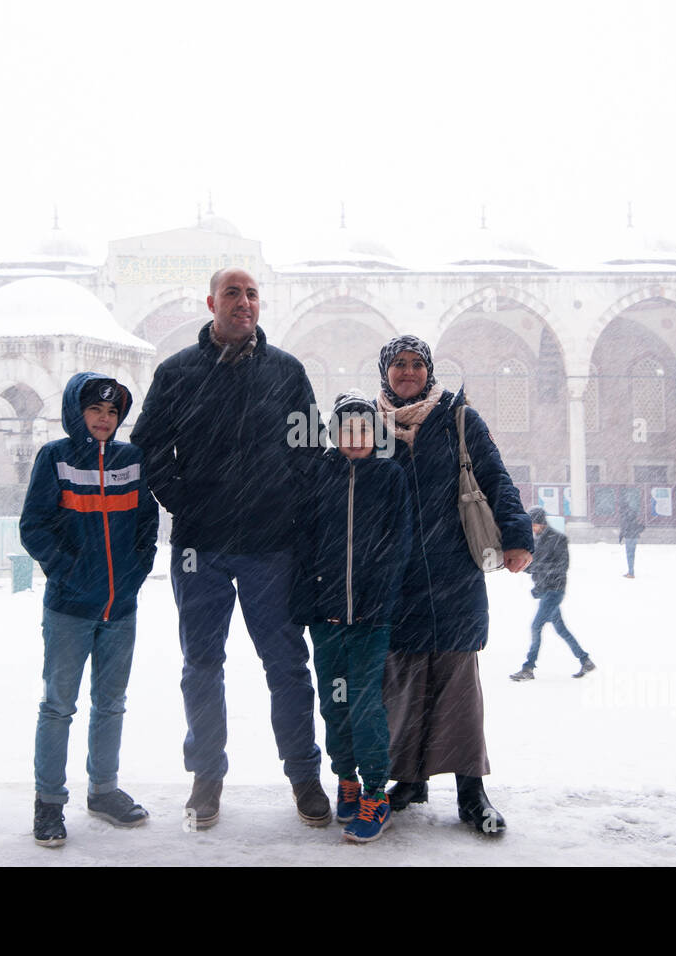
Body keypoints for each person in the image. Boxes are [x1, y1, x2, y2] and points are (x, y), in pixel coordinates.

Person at [129, 268, 328, 830]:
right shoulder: (178, 373)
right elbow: (147, 449)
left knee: (288, 665)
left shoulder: (285, 372)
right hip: (201, 549)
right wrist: (186, 503)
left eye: (253, 295)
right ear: (212, 302)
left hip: (272, 547)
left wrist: (287, 507)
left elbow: (310, 450)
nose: (245, 303)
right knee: (201, 664)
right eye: (234, 294)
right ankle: (207, 777)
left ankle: (303, 775)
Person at [375, 335, 533, 836]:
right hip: (394, 580)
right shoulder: (369, 424)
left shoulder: (458, 418)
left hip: (452, 574)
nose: (407, 372)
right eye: (398, 364)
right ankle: (408, 781)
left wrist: (517, 535)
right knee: (402, 685)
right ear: (385, 372)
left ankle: (471, 792)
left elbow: (496, 477)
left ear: (429, 370)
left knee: (458, 688)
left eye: (416, 364)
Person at [19, 373, 159, 847]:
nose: (104, 419)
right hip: (69, 608)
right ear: (76, 413)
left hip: (120, 609)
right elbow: (34, 526)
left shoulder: (130, 460)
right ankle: (49, 802)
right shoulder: (54, 457)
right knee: (59, 706)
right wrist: (67, 571)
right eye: (96, 410)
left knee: (112, 703)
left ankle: (102, 790)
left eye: (113, 412)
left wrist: (135, 575)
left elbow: (146, 525)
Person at [291, 390, 412, 843]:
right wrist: (309, 599)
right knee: (334, 704)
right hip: (326, 619)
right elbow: (303, 542)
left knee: (365, 706)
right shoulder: (319, 475)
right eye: (346, 429)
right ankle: (346, 779)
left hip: (369, 618)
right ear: (334, 433)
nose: (355, 437)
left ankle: (376, 793)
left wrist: (379, 598)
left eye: (363, 429)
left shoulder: (389, 476)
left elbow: (398, 544)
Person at [511, 508, 595, 681]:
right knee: (561, 629)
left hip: (554, 590)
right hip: (544, 590)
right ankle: (585, 660)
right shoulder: (538, 541)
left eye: (533, 524)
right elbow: (536, 565)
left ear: (540, 522)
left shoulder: (559, 539)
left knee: (536, 626)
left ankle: (528, 668)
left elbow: (561, 566)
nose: (532, 528)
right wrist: (522, 567)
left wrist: (539, 568)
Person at [618, 501, 644, 578]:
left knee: (629, 555)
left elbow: (624, 527)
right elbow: (637, 524)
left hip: (629, 537)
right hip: (635, 536)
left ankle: (631, 572)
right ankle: (631, 571)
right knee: (632, 554)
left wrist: (621, 536)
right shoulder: (632, 513)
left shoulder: (625, 515)